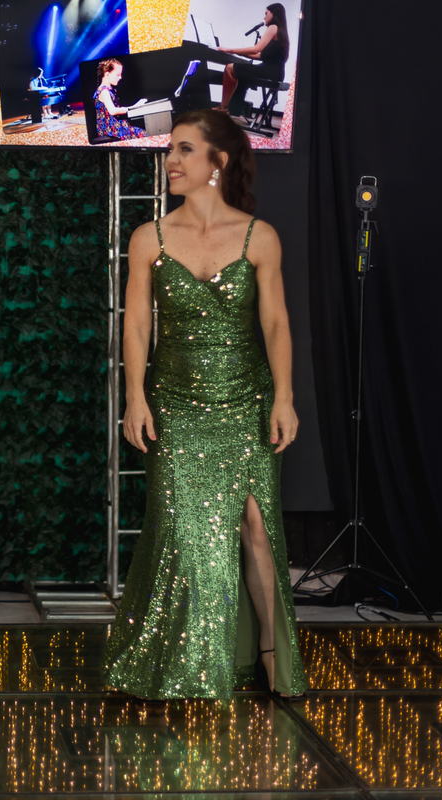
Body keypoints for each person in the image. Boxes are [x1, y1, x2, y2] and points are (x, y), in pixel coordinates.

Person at [102, 109, 308, 700]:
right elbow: (136, 325)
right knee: (182, 529)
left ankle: (270, 651)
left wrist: (285, 397)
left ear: (218, 161)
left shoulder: (258, 236)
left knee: (256, 526)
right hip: (175, 401)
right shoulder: (150, 237)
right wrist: (134, 397)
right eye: (170, 150)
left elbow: (276, 323)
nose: (171, 160)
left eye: (184, 150)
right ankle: (188, 660)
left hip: (246, 398)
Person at [215, 3, 290, 117]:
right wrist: (240, 53)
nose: (264, 17)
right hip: (277, 73)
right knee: (236, 70)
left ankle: (223, 107)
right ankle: (230, 107)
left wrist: (230, 50)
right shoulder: (282, 32)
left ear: (273, 14)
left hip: (269, 71)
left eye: (266, 13)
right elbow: (261, 56)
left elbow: (256, 49)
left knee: (229, 68)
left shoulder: (273, 27)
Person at [93, 58, 147, 141]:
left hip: (115, 125)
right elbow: (113, 111)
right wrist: (134, 107)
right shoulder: (104, 91)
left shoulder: (110, 90)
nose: (120, 77)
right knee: (141, 135)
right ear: (107, 75)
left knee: (141, 133)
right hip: (110, 129)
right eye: (118, 75)